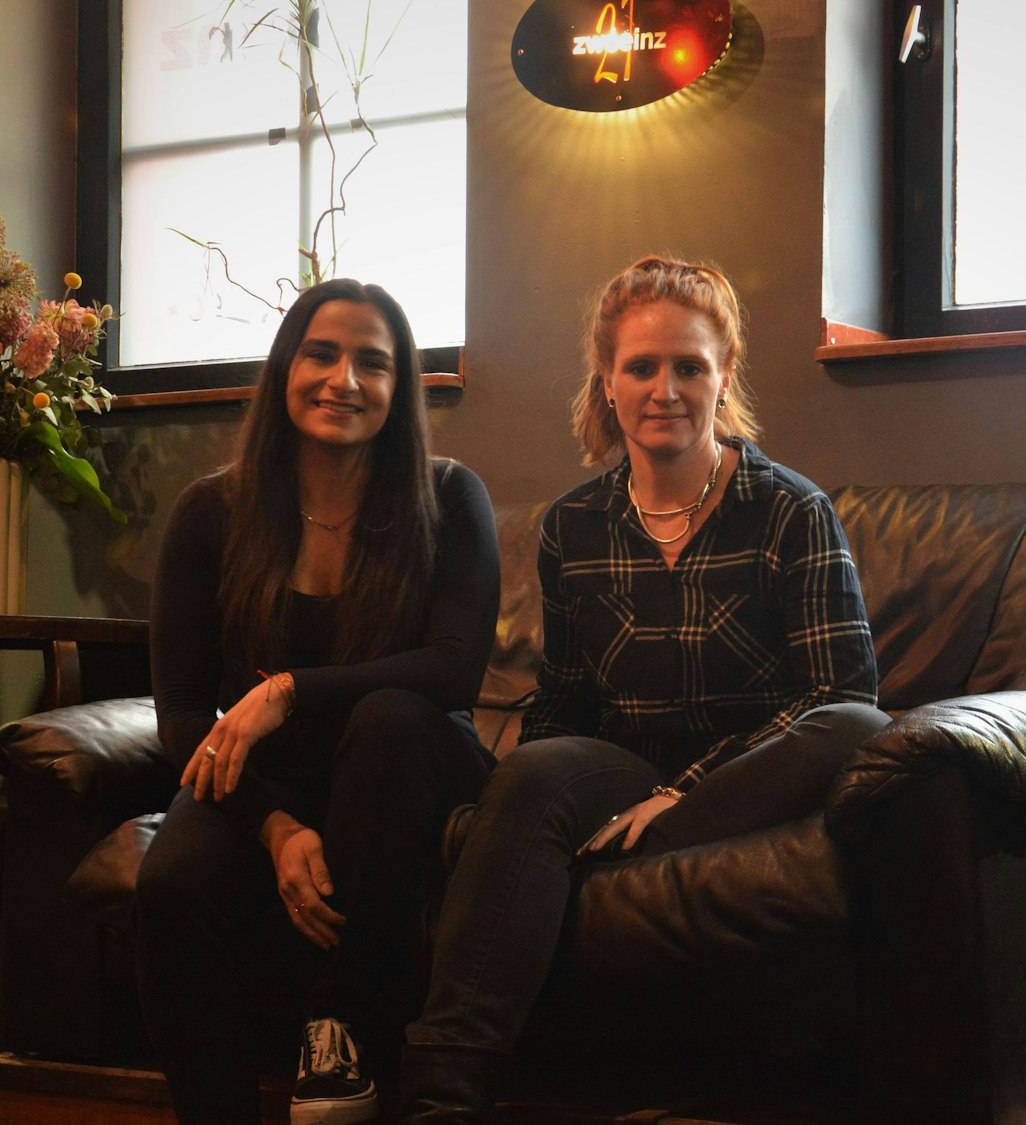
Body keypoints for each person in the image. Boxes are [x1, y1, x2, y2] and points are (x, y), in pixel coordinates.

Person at [397, 256, 892, 1121]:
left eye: (690, 366)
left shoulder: (791, 513)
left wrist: (683, 795)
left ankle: (640, 836)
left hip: (750, 781)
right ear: (609, 380)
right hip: (622, 771)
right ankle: (440, 1098)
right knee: (536, 772)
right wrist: (506, 796)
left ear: (723, 375)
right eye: (642, 367)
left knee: (855, 723)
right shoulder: (575, 525)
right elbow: (565, 695)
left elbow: (839, 694)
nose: (666, 389)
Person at [136, 278, 500, 1125]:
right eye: (323, 354)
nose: (345, 379)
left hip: (410, 764)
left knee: (386, 720)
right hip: (269, 785)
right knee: (171, 883)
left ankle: (339, 1030)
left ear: (399, 386)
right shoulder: (211, 513)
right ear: (286, 368)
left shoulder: (448, 498)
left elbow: (452, 671)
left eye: (374, 363)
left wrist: (289, 691)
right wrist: (275, 826)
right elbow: (184, 715)